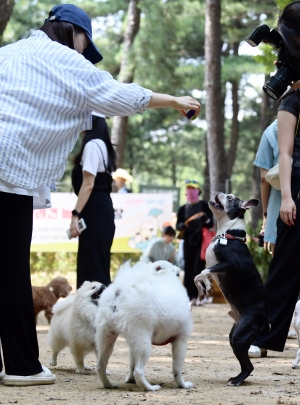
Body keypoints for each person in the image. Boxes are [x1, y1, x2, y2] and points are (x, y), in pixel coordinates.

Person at [0, 3, 201, 385]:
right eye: (83, 45)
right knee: (10, 269)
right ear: (69, 32)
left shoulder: (8, 53)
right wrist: (174, 100)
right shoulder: (64, 60)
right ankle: (22, 366)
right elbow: (117, 94)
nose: (82, 55)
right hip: (7, 169)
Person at [249, 0, 300, 358]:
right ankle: (265, 335)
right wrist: (287, 198)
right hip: (296, 187)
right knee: (284, 264)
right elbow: (283, 154)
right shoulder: (291, 102)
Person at [70, 113, 116, 289]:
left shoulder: (91, 146)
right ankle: (102, 310)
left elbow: (88, 185)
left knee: (91, 264)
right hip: (103, 207)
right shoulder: (104, 146)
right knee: (99, 262)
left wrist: (75, 214)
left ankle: (93, 311)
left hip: (94, 209)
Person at [176, 180, 213, 305]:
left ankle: (200, 296)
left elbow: (211, 224)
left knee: (199, 268)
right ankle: (189, 296)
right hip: (188, 241)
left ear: (198, 192)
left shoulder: (204, 206)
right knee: (188, 268)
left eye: (193, 190)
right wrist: (180, 225)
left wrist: (206, 219)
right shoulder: (183, 209)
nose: (191, 193)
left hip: (201, 241)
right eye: (189, 190)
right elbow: (178, 225)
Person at [253, 120, 281, 256]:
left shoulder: (271, 131)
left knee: (283, 270)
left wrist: (266, 214)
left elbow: (264, 178)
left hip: (280, 212)